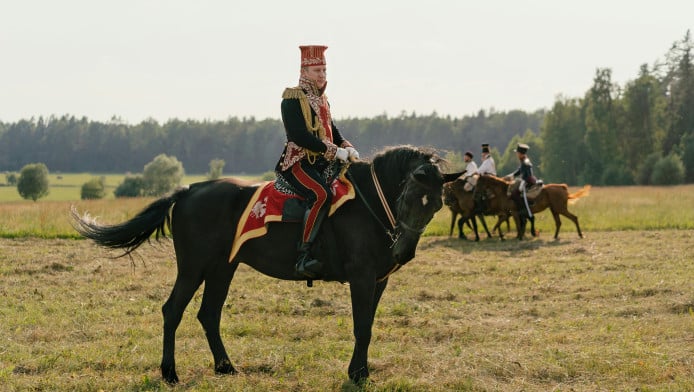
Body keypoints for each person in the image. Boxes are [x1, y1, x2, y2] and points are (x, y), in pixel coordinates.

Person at [275, 45, 359, 278]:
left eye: (324, 69)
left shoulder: (323, 100)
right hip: (299, 162)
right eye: (317, 70)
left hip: (325, 162)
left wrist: (346, 146)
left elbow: (332, 129)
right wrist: (332, 150)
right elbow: (298, 136)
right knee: (321, 195)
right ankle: (304, 254)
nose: (323, 75)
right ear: (305, 71)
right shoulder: (292, 98)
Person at [504, 143, 536, 218]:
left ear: (521, 154)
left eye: (517, 153)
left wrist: (521, 179)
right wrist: (511, 175)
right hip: (525, 179)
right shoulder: (523, 160)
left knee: (518, 193)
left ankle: (526, 210)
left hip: (527, 180)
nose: (517, 154)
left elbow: (526, 172)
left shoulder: (525, 161)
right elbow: (519, 170)